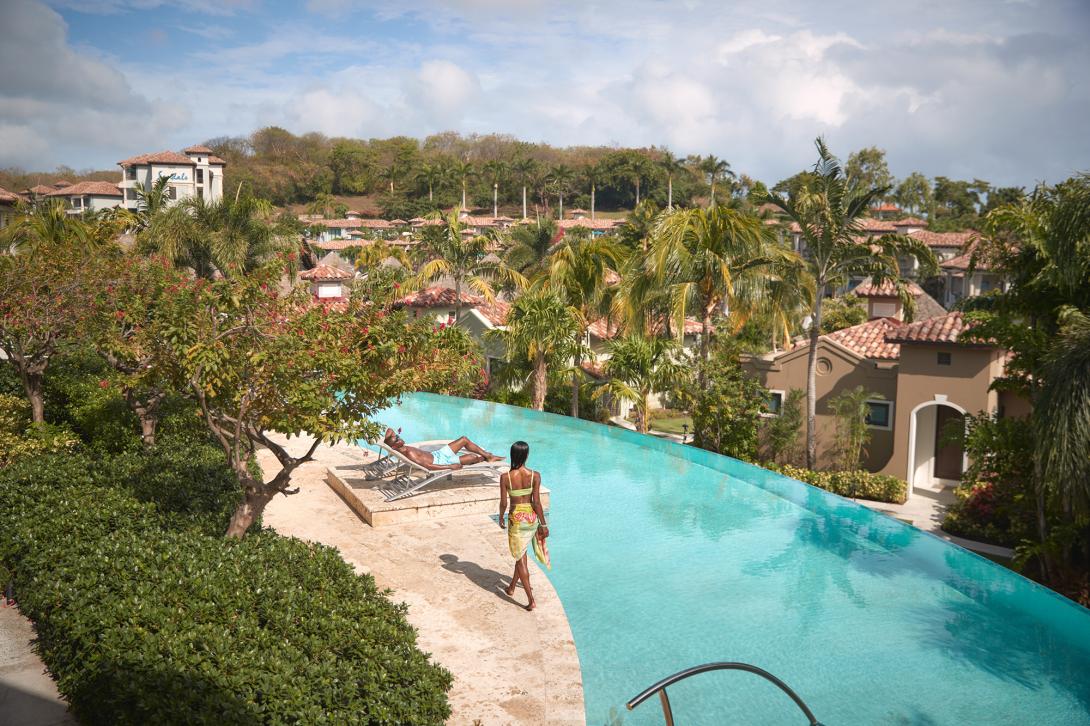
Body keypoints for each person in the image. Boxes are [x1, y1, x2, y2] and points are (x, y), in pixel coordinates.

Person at [499, 440, 550, 611]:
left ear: (513, 455)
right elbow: (537, 503)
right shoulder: (535, 475)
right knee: (521, 554)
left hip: (516, 522)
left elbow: (503, 503)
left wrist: (500, 517)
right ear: (527, 455)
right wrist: (543, 524)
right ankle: (512, 587)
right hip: (531, 520)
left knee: (521, 560)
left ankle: (530, 600)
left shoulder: (505, 477)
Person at [383, 428, 503, 471]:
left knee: (464, 439)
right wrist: (450, 467)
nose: (399, 438)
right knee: (472, 458)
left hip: (438, 454)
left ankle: (488, 456)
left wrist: (390, 438)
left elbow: (389, 430)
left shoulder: (401, 447)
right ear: (394, 447)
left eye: (397, 436)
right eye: (396, 439)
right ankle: (483, 458)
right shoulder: (409, 453)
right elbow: (427, 466)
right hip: (440, 462)